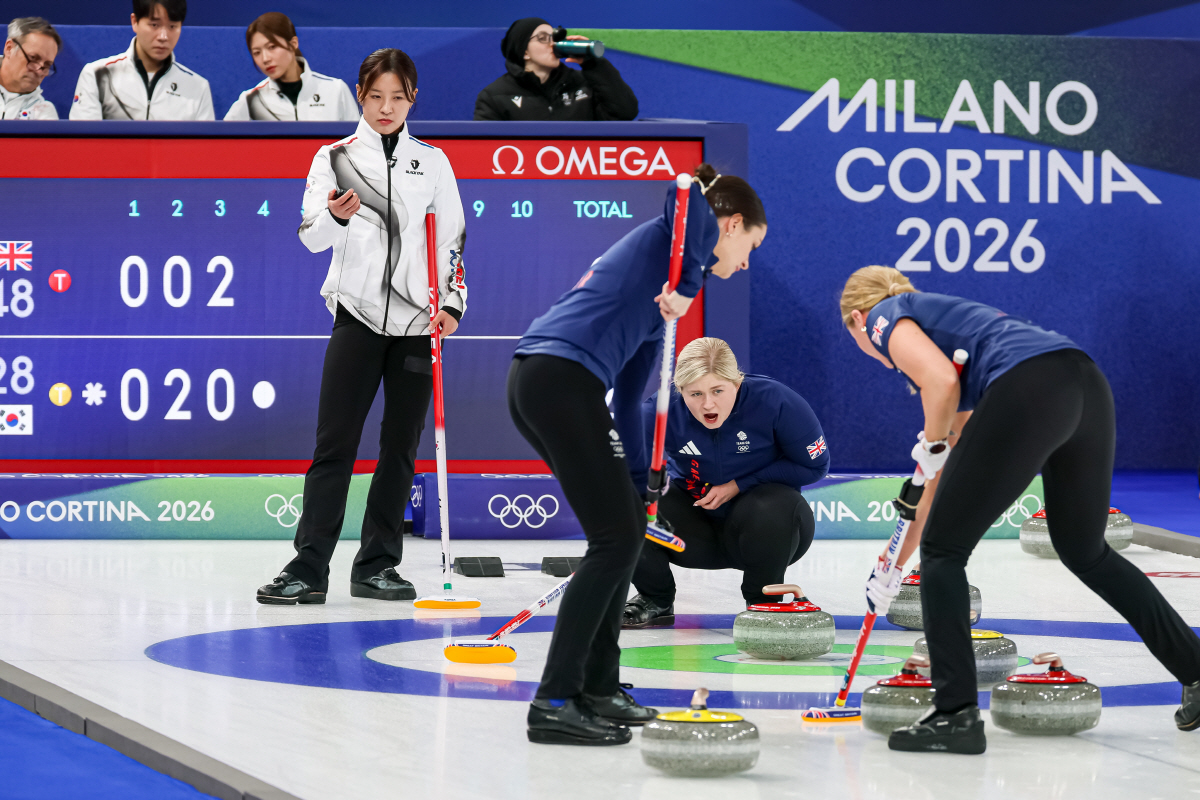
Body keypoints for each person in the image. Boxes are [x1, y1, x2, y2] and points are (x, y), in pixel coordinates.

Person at [840, 266, 1200, 753]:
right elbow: (944, 477)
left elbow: (940, 384)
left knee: (945, 552)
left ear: (857, 320)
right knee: (1085, 551)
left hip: (1031, 388)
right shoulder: (960, 334)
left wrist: (930, 443)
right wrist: (893, 567)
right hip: (1085, 386)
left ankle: (954, 715)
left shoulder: (884, 316)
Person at [509, 164, 767, 745]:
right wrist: (688, 285)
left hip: (554, 384)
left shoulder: (661, 296)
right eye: (749, 246)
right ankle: (554, 699)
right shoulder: (675, 243)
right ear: (731, 225)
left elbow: (628, 399)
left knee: (625, 529)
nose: (746, 262)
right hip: (555, 378)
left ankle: (598, 687)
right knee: (615, 541)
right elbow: (683, 193)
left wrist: (637, 476)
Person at [256, 48, 467, 606]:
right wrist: (336, 215)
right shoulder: (334, 157)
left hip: (419, 324)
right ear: (361, 94)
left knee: (400, 447)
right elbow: (309, 236)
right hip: (357, 316)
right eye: (376, 97)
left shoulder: (434, 162)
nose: (385, 107)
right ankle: (308, 567)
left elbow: (452, 239)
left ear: (412, 99)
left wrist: (453, 302)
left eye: (397, 97)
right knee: (335, 446)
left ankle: (377, 565)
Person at [623, 337, 825, 627]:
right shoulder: (660, 410)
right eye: (695, 394)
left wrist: (738, 485)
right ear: (679, 390)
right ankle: (655, 598)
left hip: (767, 531)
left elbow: (815, 465)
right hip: (690, 532)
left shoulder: (777, 401)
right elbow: (619, 468)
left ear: (737, 382)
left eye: (718, 390)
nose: (708, 404)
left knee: (775, 505)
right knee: (626, 500)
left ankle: (763, 601)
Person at [70, 0, 213, 120]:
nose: (163, 36)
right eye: (154, 25)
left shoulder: (198, 87)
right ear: (135, 22)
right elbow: (84, 144)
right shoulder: (97, 75)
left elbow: (203, 150)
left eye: (172, 26)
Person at [474, 17, 637, 121]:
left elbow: (626, 112)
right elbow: (486, 150)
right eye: (543, 39)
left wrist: (594, 64)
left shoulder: (584, 83)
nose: (553, 44)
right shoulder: (495, 96)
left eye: (554, 37)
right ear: (524, 52)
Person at [224, 12, 357, 121]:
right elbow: (222, 144)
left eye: (272, 47)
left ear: (293, 44)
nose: (265, 59)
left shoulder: (335, 89)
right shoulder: (251, 99)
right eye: (257, 53)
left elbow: (357, 144)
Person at [0, 17, 60, 119]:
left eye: (47, 65)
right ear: (9, 48)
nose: (38, 70)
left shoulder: (44, 114)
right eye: (33, 58)